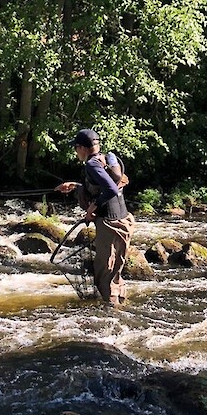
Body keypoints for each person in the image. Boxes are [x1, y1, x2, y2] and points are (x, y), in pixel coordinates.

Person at [55, 129, 135, 306]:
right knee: (114, 272)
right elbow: (104, 186)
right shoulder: (105, 159)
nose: (76, 152)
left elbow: (111, 190)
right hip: (122, 219)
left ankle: (112, 316)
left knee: (104, 274)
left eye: (76, 148)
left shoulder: (91, 165)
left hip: (109, 224)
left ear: (82, 148)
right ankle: (119, 307)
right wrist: (75, 186)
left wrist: (93, 207)